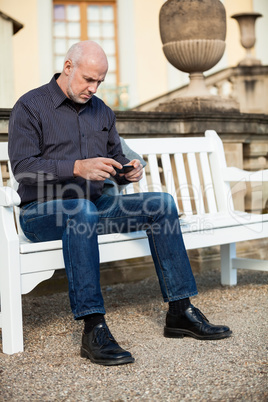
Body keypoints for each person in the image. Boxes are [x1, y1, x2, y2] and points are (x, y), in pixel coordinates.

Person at [8, 40, 232, 366]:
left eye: (99, 81)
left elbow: (116, 161)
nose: (93, 88)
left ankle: (180, 311)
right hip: (42, 213)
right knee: (80, 210)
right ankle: (93, 327)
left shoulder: (102, 112)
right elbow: (24, 169)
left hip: (97, 206)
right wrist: (75, 168)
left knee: (162, 204)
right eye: (88, 79)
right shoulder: (30, 106)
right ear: (68, 67)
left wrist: (129, 171)